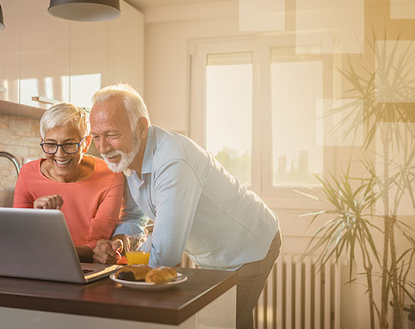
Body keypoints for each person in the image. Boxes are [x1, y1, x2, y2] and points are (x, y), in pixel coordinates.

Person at [89, 83, 281, 329]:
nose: (103, 148)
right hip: (212, 252)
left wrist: (118, 272)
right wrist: (122, 242)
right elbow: (136, 216)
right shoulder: (128, 157)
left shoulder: (172, 160)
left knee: (226, 322)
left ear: (141, 127)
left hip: (248, 245)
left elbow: (165, 253)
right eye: (96, 136)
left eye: (112, 135)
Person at [13, 102, 125, 263]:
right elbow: (19, 238)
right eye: (51, 144)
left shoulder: (110, 176)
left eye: (69, 144)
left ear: (85, 143)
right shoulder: (27, 174)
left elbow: (96, 246)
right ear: (43, 141)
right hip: (37, 266)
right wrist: (36, 219)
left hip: (87, 269)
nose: (60, 154)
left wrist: (47, 250)